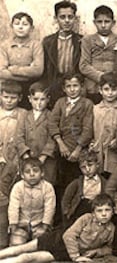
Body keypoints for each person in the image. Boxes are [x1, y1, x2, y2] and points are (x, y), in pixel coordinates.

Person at [0, 194, 115, 262]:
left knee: (27, 258)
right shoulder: (86, 218)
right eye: (100, 211)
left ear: (113, 212)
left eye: (107, 210)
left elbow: (109, 248)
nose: (104, 214)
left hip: (64, 253)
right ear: (94, 213)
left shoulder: (111, 229)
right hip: (57, 240)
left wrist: (97, 251)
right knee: (21, 249)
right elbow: (69, 236)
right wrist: (76, 257)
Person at [49, 73, 93, 207]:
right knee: (61, 182)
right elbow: (52, 123)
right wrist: (60, 144)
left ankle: (75, 212)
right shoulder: (60, 103)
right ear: (64, 88)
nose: (72, 89)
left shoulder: (87, 104)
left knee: (77, 183)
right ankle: (61, 215)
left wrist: (78, 149)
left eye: (75, 86)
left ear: (81, 86)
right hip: (62, 150)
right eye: (68, 86)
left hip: (78, 151)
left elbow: (87, 129)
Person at [0, 81, 27, 248]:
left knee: (13, 199)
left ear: (20, 98)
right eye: (5, 97)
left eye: (13, 97)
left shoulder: (23, 114)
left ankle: (10, 238)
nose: (9, 100)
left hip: (16, 162)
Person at [42, 1, 82, 107]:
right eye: (62, 17)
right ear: (56, 19)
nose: (67, 21)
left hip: (74, 83)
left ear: (75, 19)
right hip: (54, 82)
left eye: (70, 17)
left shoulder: (81, 41)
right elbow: (45, 69)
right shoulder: (48, 42)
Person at [79, 5, 117, 104]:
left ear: (113, 23)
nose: (103, 25)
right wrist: (101, 77)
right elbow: (83, 66)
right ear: (94, 22)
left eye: (107, 22)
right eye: (99, 22)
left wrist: (113, 79)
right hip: (93, 87)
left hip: (113, 87)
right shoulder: (87, 40)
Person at [0, 12, 44, 109]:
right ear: (11, 26)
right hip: (9, 87)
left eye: (25, 24)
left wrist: (13, 69)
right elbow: (2, 72)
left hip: (29, 87)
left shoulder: (36, 45)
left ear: (31, 28)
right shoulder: (4, 46)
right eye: (17, 24)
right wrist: (27, 71)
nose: (20, 27)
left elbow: (38, 70)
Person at [8, 158, 55, 246]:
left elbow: (50, 208)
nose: (32, 174)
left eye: (35, 171)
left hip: (39, 224)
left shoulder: (48, 187)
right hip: (21, 225)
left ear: (42, 173)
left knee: (40, 244)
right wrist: (14, 227)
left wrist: (44, 226)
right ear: (22, 175)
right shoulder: (18, 187)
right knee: (16, 243)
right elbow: (13, 208)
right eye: (27, 172)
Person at [16, 83, 56, 185]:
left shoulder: (51, 116)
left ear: (48, 99)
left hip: (45, 161)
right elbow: (19, 136)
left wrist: (43, 156)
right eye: (35, 99)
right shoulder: (25, 116)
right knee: (27, 184)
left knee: (45, 184)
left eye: (42, 99)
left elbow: (52, 138)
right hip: (27, 158)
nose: (39, 103)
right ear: (29, 99)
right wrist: (25, 155)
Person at [90, 73, 117, 176]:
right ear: (100, 90)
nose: (110, 93)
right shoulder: (95, 109)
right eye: (106, 89)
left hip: (114, 152)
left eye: (113, 90)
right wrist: (91, 141)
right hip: (97, 150)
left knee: (113, 177)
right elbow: (89, 128)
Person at [61, 150, 107, 228]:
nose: (87, 169)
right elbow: (66, 199)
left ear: (97, 165)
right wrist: (67, 213)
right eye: (83, 167)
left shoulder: (104, 183)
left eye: (90, 165)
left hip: (96, 211)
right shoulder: (76, 183)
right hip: (79, 212)